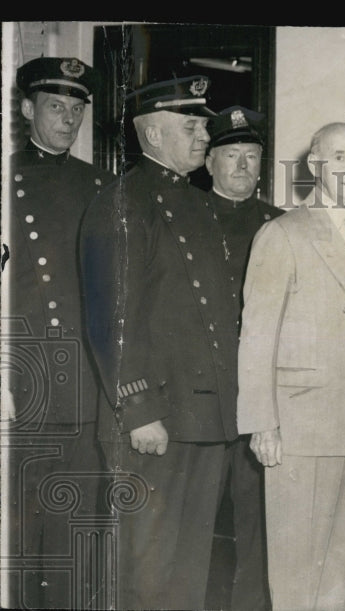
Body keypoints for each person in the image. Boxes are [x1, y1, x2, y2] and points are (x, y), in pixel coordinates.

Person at [78, 76, 240, 610]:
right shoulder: (123, 202)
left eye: (203, 125)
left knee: (189, 567)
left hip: (203, 419)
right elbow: (111, 318)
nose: (204, 135)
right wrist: (140, 407)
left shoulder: (197, 204)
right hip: (152, 420)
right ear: (150, 134)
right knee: (145, 568)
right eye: (190, 125)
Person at [237, 122, 345, 610]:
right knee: (298, 567)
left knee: (343, 567)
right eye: (340, 157)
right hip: (302, 424)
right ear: (316, 165)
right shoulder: (282, 232)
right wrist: (262, 423)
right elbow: (257, 334)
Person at [4, 56, 113, 610]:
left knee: (78, 524)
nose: (68, 119)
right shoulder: (5, 183)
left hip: (86, 385)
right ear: (27, 110)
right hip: (23, 380)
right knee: (21, 525)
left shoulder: (102, 186)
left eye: (76, 110)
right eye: (55, 107)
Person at [204, 105, 282, 610]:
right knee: (197, 524)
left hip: (258, 399)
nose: (241, 167)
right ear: (208, 161)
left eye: (251, 157)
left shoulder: (280, 225)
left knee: (258, 523)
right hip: (203, 395)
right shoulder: (183, 218)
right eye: (231, 155)